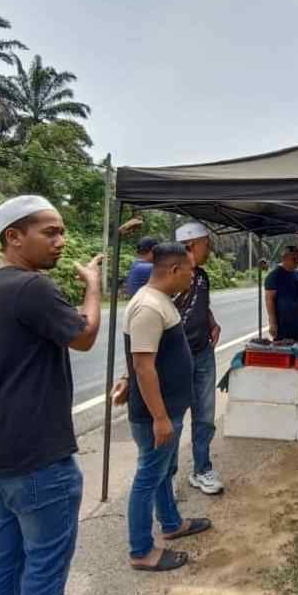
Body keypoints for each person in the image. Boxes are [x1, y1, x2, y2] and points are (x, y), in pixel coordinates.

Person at [0, 195, 103, 595]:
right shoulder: (32, 287)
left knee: (4, 560)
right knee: (44, 565)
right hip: (38, 458)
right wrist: (93, 286)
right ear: (14, 237)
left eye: (62, 231)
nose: (61, 242)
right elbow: (84, 335)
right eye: (50, 232)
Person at [113, 242, 212, 572]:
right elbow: (143, 365)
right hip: (157, 412)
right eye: (188, 270)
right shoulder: (147, 307)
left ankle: (171, 523)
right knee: (149, 476)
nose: (192, 275)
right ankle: (141, 550)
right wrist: (159, 417)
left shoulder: (160, 301)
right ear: (173, 271)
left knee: (163, 472)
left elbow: (145, 355)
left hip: (168, 408)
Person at [174, 221, 224, 495]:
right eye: (207, 243)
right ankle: (166, 477)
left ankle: (202, 469)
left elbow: (203, 304)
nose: (210, 248)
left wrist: (212, 323)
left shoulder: (203, 276)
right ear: (191, 245)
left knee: (204, 415)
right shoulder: (171, 276)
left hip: (203, 353)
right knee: (175, 418)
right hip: (177, 359)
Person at [265, 245, 298, 340]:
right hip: (283, 324)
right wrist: (272, 323)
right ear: (284, 258)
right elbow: (269, 300)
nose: (297, 261)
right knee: (285, 350)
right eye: (294, 258)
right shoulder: (274, 276)